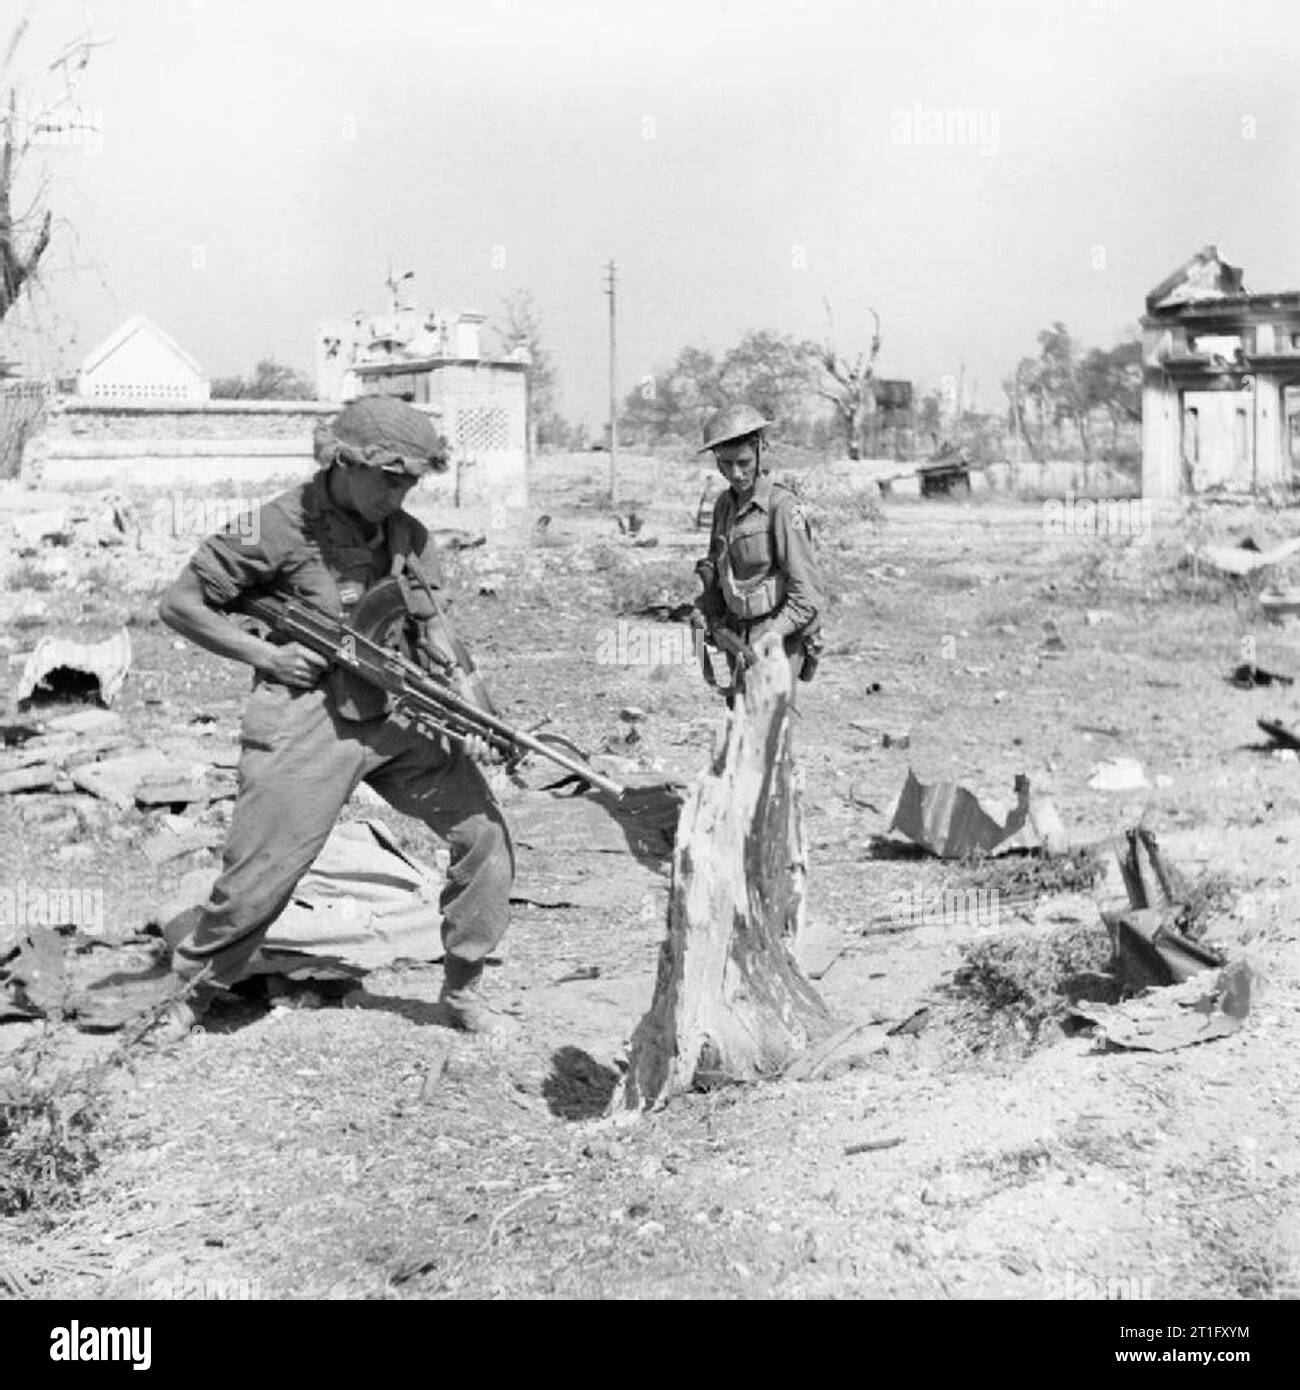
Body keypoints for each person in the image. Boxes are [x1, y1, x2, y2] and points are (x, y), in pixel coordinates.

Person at [153, 396, 516, 1041]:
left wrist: (474, 702)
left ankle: (465, 987)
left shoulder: (409, 536)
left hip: (392, 710)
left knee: (485, 837)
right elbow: (181, 604)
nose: (398, 493)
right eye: (387, 477)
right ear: (341, 461)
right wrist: (266, 652)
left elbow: (434, 624)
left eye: (410, 481)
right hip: (307, 715)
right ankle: (191, 994)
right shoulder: (272, 525)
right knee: (259, 880)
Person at [693, 403, 824, 702]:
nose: (735, 474)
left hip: (777, 634)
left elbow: (808, 593)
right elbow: (716, 566)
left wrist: (772, 636)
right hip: (736, 633)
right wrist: (704, 608)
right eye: (725, 464)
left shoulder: (784, 507)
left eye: (743, 462)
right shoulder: (724, 506)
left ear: (760, 450)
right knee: (741, 725)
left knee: (768, 735)